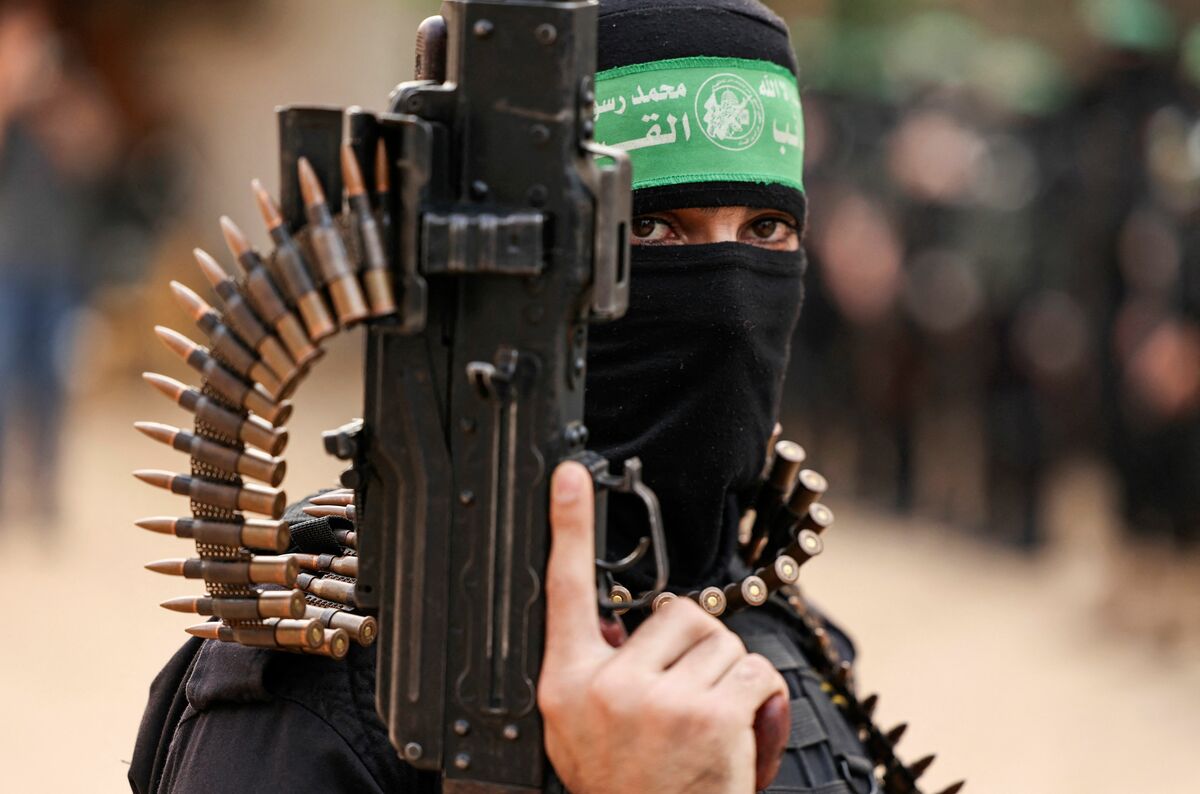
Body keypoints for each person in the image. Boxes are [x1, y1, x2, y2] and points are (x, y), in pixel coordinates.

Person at [130, 2, 888, 792]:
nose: (732, 307)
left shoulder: (783, 625)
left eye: (767, 229)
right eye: (647, 231)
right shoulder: (339, 682)